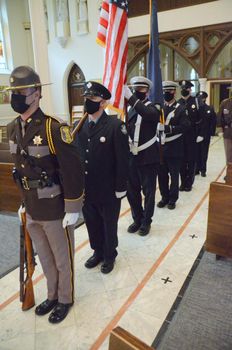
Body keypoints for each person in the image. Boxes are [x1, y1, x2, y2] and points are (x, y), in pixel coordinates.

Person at [7, 66, 84, 323]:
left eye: (22, 91)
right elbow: (20, 168)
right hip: (31, 207)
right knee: (44, 256)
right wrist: (22, 201)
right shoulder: (11, 128)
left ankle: (65, 298)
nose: (16, 97)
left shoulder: (53, 128)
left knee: (62, 259)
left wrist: (73, 210)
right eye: (13, 92)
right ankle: (51, 294)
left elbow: (72, 170)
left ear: (37, 93)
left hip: (54, 208)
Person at [74, 81, 129, 274]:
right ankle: (97, 251)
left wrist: (121, 186)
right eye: (86, 98)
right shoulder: (79, 126)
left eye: (93, 98)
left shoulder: (115, 126)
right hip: (87, 188)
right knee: (92, 221)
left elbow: (123, 159)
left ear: (104, 103)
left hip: (108, 187)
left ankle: (109, 254)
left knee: (108, 223)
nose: (88, 101)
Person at [124, 76, 161, 236]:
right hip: (132, 157)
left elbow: (146, 113)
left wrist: (131, 98)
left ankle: (146, 222)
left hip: (147, 157)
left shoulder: (153, 107)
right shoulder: (130, 109)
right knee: (132, 192)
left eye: (141, 89)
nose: (137, 91)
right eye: (134, 89)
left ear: (147, 91)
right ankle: (137, 219)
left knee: (149, 192)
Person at [157, 81, 190, 210]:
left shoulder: (181, 108)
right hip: (161, 148)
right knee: (162, 175)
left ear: (174, 92)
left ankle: (172, 199)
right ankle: (164, 197)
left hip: (175, 147)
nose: (166, 94)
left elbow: (185, 126)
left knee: (174, 175)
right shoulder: (159, 108)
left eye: (169, 91)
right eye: (164, 91)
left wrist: (168, 128)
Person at [178, 80, 204, 191]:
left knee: (191, 160)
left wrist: (201, 134)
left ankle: (189, 183)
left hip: (192, 136)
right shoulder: (178, 103)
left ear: (190, 89)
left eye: (187, 88)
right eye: (183, 88)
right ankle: (183, 182)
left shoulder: (196, 102)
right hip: (180, 137)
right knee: (181, 161)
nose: (184, 90)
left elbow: (203, 119)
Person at [195, 91, 217, 177]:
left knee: (204, 153)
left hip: (205, 134)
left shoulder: (209, 109)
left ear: (205, 98)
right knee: (196, 152)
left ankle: (203, 170)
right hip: (195, 135)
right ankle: (196, 169)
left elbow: (213, 122)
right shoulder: (194, 109)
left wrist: (211, 134)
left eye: (202, 98)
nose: (200, 99)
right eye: (198, 98)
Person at [217, 87, 232, 165]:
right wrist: (220, 129)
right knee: (228, 152)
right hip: (228, 131)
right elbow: (220, 116)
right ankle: (229, 173)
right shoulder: (225, 103)